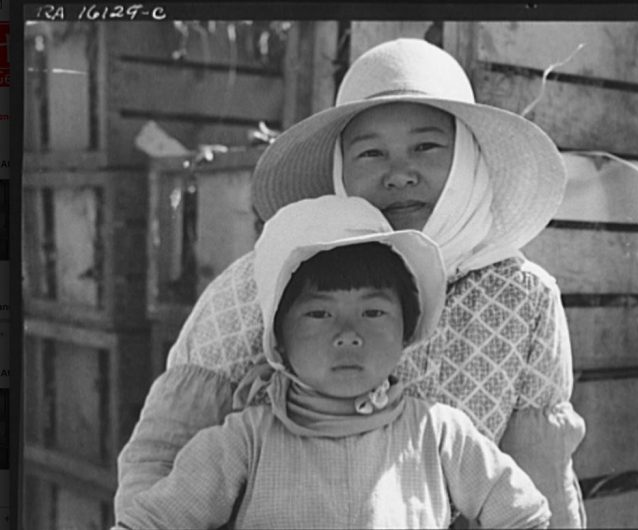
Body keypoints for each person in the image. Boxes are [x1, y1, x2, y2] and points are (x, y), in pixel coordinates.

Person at [116, 38, 586, 527]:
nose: (400, 174)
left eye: (426, 147)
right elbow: (164, 455)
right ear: (339, 167)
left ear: (469, 156)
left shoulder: (523, 296)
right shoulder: (277, 275)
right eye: (370, 153)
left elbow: (539, 478)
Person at [115, 196, 551, 529]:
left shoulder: (438, 433)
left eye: (374, 312)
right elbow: (149, 523)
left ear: (407, 332)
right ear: (278, 342)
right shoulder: (244, 442)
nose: (348, 333)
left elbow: (523, 516)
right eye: (319, 313)